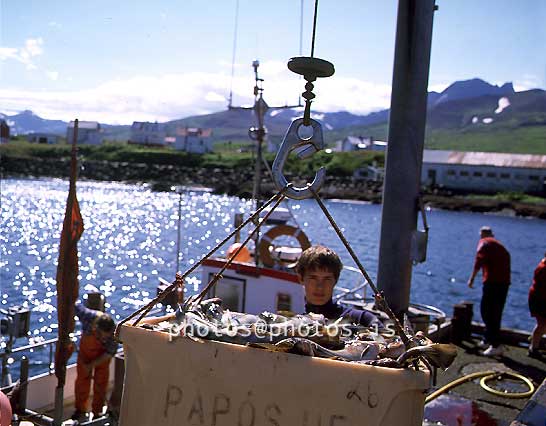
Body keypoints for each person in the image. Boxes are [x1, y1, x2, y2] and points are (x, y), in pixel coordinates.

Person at [296, 245, 382, 328]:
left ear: (336, 280)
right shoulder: (290, 322)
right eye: (313, 278)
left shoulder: (363, 319)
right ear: (301, 279)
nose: (320, 287)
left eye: (327, 279)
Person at [467, 226, 511, 357]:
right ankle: (488, 339)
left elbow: (478, 261)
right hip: (504, 282)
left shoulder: (484, 243)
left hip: (493, 283)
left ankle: (495, 345)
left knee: (488, 311)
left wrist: (472, 279)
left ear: (483, 234)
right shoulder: (498, 245)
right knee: (495, 312)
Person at [72, 302, 118, 420]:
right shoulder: (87, 316)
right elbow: (73, 305)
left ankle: (97, 412)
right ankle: (80, 410)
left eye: (105, 337)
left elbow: (109, 353)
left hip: (102, 358)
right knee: (82, 381)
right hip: (85, 355)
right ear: (96, 327)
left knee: (101, 383)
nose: (103, 338)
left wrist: (92, 365)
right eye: (101, 335)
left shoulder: (114, 334)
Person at [528, 251, 546, 357]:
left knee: (543, 324)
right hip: (539, 299)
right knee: (542, 323)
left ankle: (535, 340)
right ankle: (533, 348)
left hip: (540, 298)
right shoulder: (543, 268)